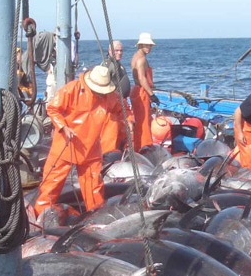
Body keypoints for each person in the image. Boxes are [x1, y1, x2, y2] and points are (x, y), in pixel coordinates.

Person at [33, 66, 120, 216]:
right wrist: (63, 127)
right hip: (65, 144)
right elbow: (53, 108)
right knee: (52, 182)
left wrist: (130, 119)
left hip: (91, 147)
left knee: (94, 186)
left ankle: (96, 215)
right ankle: (41, 214)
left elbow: (122, 108)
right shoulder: (72, 89)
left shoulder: (110, 96)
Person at [101, 40, 131, 154]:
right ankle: (109, 156)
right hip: (111, 108)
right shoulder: (107, 65)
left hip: (120, 106)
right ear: (110, 51)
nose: (119, 53)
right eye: (116, 50)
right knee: (110, 137)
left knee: (122, 134)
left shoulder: (119, 65)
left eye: (121, 50)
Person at [130, 32, 159, 150]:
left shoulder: (135, 56)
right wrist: (152, 95)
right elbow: (142, 78)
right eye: (146, 45)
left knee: (140, 121)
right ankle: (144, 147)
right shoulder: (141, 60)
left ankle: (139, 146)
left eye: (150, 45)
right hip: (141, 92)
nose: (148, 47)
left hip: (137, 91)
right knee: (144, 122)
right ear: (140, 45)